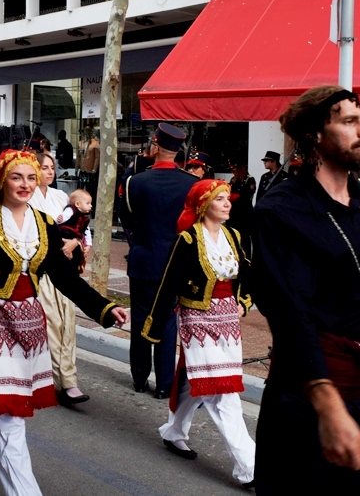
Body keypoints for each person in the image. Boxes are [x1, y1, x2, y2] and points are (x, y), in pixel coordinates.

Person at [0, 149, 129, 496]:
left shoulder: (45, 224)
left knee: (4, 410)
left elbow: (65, 278)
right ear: (2, 179)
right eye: (17, 177)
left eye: (31, 177)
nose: (25, 184)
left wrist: (104, 309)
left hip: (30, 325)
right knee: (8, 415)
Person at [250, 85, 360, 495]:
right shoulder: (280, 209)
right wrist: (329, 408)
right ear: (315, 137)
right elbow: (288, 314)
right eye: (348, 121)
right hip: (308, 397)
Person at [143, 179, 255, 488]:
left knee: (200, 382)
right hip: (197, 320)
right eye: (219, 199)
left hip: (228, 321)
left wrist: (244, 302)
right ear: (204, 205)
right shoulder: (188, 239)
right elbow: (169, 283)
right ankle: (252, 467)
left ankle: (174, 431)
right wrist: (154, 326)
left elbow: (245, 274)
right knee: (222, 392)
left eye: (227, 198)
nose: (227, 203)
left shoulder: (234, 235)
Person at [119, 123, 197, 397]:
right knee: (166, 321)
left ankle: (139, 378)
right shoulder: (192, 184)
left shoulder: (135, 181)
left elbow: (126, 220)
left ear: (155, 145)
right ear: (179, 151)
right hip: (176, 264)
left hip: (143, 259)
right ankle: (165, 384)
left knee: (140, 319)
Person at [31, 153, 88, 405]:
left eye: (52, 168)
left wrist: (77, 242)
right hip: (41, 269)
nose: (49, 172)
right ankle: (62, 382)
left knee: (68, 324)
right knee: (51, 322)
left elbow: (82, 228)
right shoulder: (27, 197)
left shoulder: (61, 197)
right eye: (44, 168)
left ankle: (69, 379)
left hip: (65, 269)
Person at [227, 162, 256, 243]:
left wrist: (235, 196)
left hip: (244, 214)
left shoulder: (249, 179)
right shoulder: (233, 180)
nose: (232, 171)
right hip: (233, 213)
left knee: (244, 239)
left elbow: (247, 195)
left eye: (234, 169)